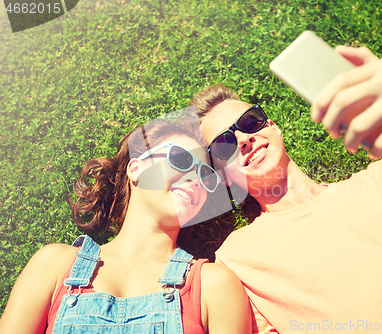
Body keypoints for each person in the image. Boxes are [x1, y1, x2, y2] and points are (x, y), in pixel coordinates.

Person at [189, 46, 382, 333]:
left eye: (250, 121)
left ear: (273, 126)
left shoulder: (379, 182)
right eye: (224, 144)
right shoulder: (236, 259)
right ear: (222, 176)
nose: (243, 138)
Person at [0, 108, 251, 334]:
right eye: (182, 159)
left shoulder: (214, 285)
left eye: (206, 174)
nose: (195, 178)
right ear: (136, 168)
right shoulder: (53, 265)